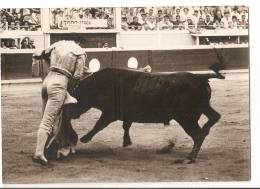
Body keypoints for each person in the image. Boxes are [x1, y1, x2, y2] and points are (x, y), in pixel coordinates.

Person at [32, 40, 88, 165]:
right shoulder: (80, 52)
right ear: (79, 43)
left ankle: (44, 149)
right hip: (59, 83)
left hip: (47, 81)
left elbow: (38, 55)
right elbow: (78, 75)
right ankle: (39, 153)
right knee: (49, 120)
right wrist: (68, 90)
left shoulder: (57, 44)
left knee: (45, 118)